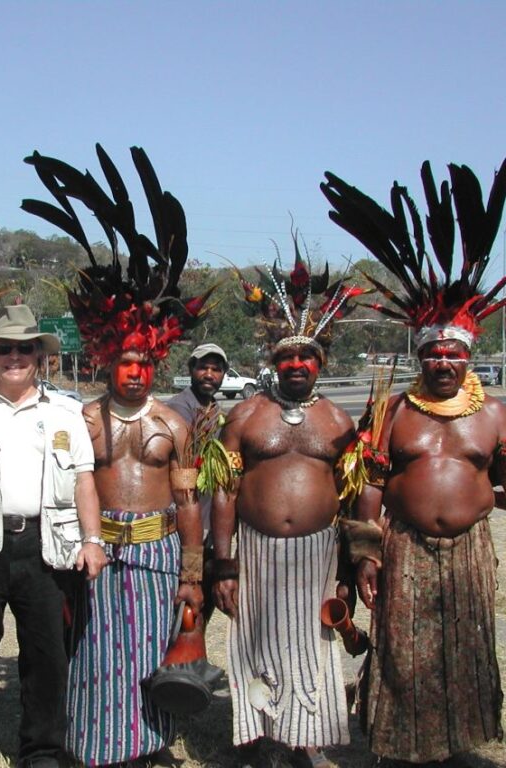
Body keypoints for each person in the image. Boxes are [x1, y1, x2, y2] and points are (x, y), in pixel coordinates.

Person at [22, 145, 212, 766]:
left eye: (144, 363)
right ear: (108, 361)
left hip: (158, 549)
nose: (135, 371)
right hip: (97, 547)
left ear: (155, 364)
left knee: (151, 647)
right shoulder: (80, 419)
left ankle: (150, 744)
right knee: (96, 651)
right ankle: (95, 744)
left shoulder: (173, 424)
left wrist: (191, 574)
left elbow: (188, 499)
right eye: (125, 362)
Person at [323, 160, 506, 764]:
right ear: (421, 356)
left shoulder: (496, 415)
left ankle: (459, 747)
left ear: (467, 357)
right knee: (401, 651)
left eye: (454, 353)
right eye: (435, 354)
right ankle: (399, 747)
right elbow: (370, 485)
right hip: (403, 547)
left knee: (468, 649)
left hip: (470, 553)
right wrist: (367, 554)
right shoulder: (393, 410)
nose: (444, 363)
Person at [0, 304, 106, 768]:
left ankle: (42, 751)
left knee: (47, 657)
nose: (15, 357)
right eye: (4, 349)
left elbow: (85, 480)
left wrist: (93, 540)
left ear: (40, 356)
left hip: (46, 548)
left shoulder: (67, 413)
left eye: (24, 349)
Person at [213, 247, 362, 767]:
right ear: (273, 362)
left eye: (307, 358)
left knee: (312, 647)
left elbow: (355, 497)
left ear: (321, 364)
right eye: (286, 358)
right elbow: (223, 490)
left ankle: (307, 739)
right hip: (256, 551)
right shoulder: (245, 415)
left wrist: (350, 565)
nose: (297, 365)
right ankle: (263, 738)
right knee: (256, 645)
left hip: (318, 553)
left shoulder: (342, 422)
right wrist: (224, 563)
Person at [167, 342, 229, 622]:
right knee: (183, 611)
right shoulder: (180, 410)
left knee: (201, 607)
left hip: (209, 525)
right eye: (203, 367)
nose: (209, 374)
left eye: (216, 369)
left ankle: (194, 660)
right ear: (191, 369)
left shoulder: (215, 411)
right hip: (185, 527)